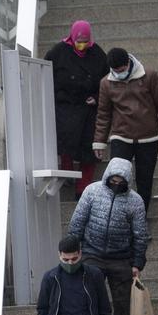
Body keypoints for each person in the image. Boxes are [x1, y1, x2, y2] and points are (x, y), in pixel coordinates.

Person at [68, 157, 148, 315]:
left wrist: (137, 263)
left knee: (122, 304)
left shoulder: (135, 201)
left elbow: (140, 234)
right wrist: (73, 252)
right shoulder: (92, 191)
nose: (115, 183)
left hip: (121, 257)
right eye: (112, 179)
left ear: (127, 180)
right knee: (89, 298)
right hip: (92, 252)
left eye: (120, 180)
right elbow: (77, 222)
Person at [93, 47, 158, 209]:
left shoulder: (149, 76)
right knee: (117, 178)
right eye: (116, 70)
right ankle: (119, 217)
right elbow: (104, 114)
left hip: (148, 137)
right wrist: (99, 141)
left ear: (128, 62)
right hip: (121, 136)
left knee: (145, 180)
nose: (120, 72)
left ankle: (140, 217)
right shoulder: (106, 83)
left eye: (122, 69)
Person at [45, 20, 110, 200]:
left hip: (88, 108)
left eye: (85, 42)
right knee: (67, 141)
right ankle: (67, 173)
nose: (82, 45)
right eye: (79, 41)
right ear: (72, 38)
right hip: (65, 106)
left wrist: (96, 98)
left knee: (89, 147)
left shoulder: (97, 54)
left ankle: (83, 188)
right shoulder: (58, 53)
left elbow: (107, 82)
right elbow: (45, 76)